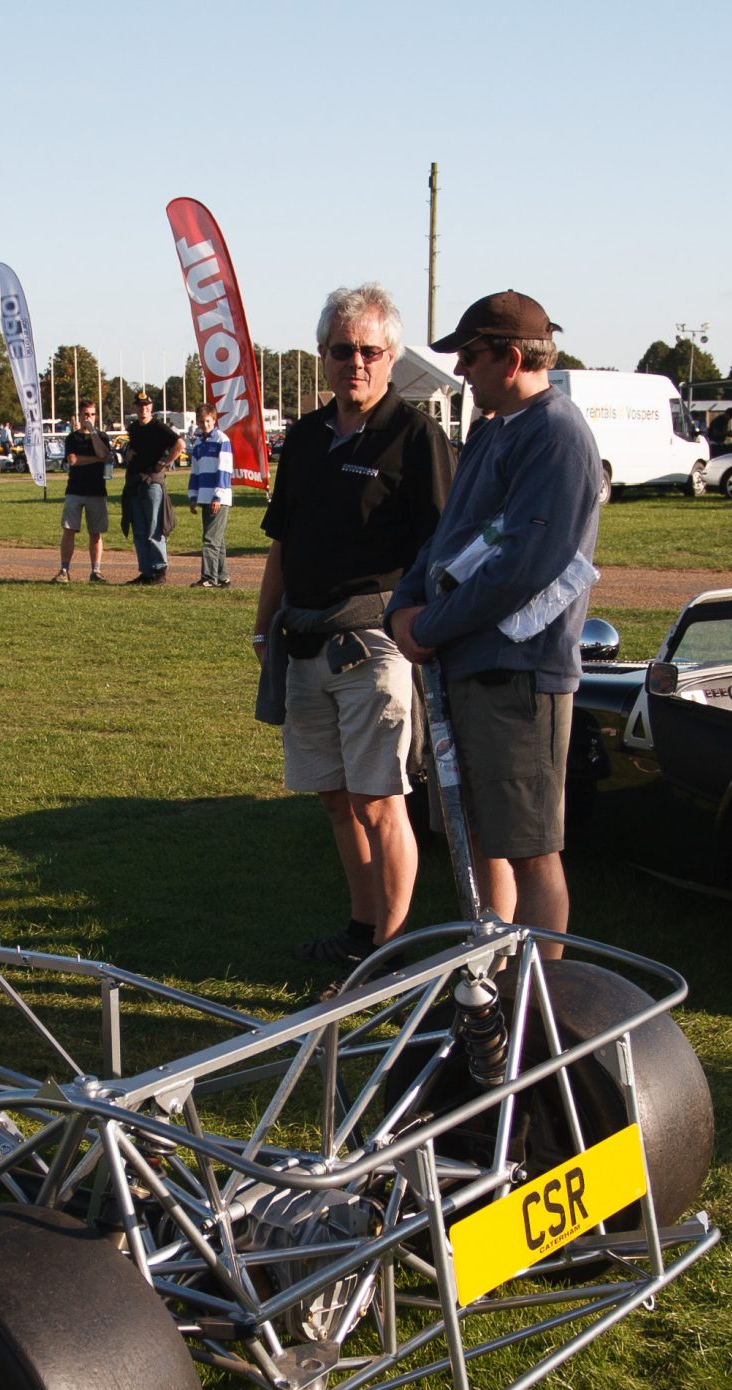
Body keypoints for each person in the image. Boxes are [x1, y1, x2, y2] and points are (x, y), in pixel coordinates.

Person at [387, 290, 599, 949]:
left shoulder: (557, 434)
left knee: (530, 845)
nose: (463, 372)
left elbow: (527, 563)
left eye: (471, 357)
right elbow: (450, 535)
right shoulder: (492, 429)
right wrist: (403, 606)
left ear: (511, 358)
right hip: (466, 667)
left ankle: (542, 1005)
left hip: (519, 674)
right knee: (480, 833)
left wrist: (431, 625)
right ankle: (494, 976)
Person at [255, 282, 453, 969]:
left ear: (392, 356)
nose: (356, 363)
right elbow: (281, 541)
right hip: (303, 643)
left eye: (370, 350)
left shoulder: (417, 436)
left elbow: (444, 550)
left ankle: (391, 954)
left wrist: (417, 627)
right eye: (344, 350)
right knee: (337, 800)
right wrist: (262, 635)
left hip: (374, 646)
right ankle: (362, 929)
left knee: (380, 802)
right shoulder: (307, 437)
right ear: (323, 355)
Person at [119, 393, 181, 583]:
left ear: (151, 407)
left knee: (154, 528)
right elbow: (130, 448)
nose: (143, 408)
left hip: (152, 482)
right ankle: (146, 571)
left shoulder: (159, 427)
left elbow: (179, 444)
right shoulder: (134, 428)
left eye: (146, 405)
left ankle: (159, 570)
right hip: (135, 482)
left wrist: (165, 462)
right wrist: (127, 453)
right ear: (135, 408)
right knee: (139, 529)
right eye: (139, 405)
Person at [56, 401, 113, 583]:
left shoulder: (102, 437)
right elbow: (73, 460)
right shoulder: (73, 438)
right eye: (85, 414)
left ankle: (95, 571)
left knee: (96, 533)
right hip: (75, 490)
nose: (89, 418)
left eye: (92, 414)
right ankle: (64, 570)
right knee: (69, 530)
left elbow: (104, 454)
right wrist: (95, 459)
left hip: (96, 491)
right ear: (80, 416)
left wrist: (93, 434)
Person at [186, 403, 236, 587]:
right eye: (201, 421)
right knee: (217, 540)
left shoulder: (222, 440)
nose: (204, 424)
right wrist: (193, 496)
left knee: (210, 540)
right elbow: (195, 472)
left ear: (214, 420)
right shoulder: (198, 443)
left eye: (207, 421)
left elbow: (224, 470)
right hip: (204, 496)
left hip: (218, 498)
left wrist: (218, 496)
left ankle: (209, 578)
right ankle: (223, 577)